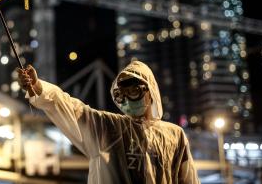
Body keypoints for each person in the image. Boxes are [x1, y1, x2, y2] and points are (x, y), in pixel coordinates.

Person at [17, 60, 199, 184]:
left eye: (134, 91)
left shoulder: (175, 135)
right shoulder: (108, 127)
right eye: (120, 97)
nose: (127, 101)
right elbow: (69, 106)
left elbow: (189, 179)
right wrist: (38, 87)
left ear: (150, 91)